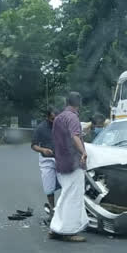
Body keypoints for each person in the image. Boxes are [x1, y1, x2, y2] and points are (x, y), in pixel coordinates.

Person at [49, 92, 89, 242]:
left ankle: (56, 228)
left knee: (65, 196)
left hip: (61, 162)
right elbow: (74, 136)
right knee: (73, 198)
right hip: (73, 163)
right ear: (78, 103)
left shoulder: (59, 118)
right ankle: (69, 232)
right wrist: (83, 152)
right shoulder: (73, 117)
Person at [30, 108, 58, 213]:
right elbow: (33, 145)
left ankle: (64, 208)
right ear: (47, 117)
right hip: (46, 160)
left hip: (61, 158)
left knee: (67, 183)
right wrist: (43, 150)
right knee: (48, 186)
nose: (54, 121)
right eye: (52, 119)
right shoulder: (40, 128)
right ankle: (52, 208)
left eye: (57, 119)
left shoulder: (61, 126)